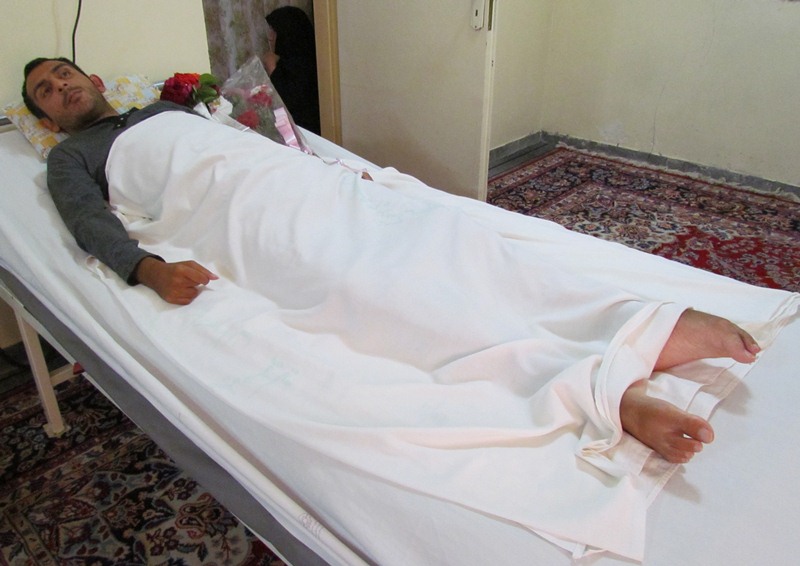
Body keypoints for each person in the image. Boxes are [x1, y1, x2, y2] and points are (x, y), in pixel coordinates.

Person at [22, 56, 762, 465]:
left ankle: (640, 324)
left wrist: (331, 169)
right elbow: (89, 222)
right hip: (244, 223)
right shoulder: (73, 159)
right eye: (45, 93)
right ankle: (601, 394)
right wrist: (146, 268)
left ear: (93, 79)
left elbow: (250, 143)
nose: (61, 87)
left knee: (461, 241)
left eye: (63, 73)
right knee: (389, 293)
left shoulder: (167, 109)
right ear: (48, 119)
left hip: (307, 185)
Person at [262, 6, 321, 134]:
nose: (270, 38)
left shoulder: (306, 64)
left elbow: (287, 103)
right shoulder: (287, 60)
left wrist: (272, 68)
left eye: (274, 32)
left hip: (307, 132)